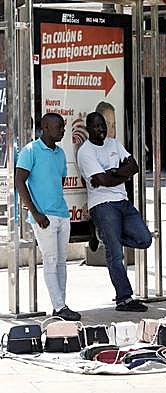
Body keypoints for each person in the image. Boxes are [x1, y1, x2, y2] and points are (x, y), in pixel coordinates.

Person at [77, 112, 151, 312]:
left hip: (122, 201)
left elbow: (134, 166)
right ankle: (124, 298)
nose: (101, 129)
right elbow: (103, 181)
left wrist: (113, 174)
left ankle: (104, 234)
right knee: (115, 253)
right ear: (88, 129)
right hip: (102, 204)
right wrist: (118, 174)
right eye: (96, 126)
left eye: (103, 125)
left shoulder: (114, 143)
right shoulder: (85, 151)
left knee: (145, 239)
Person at [15, 113, 81, 321]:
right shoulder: (30, 151)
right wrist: (35, 213)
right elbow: (19, 182)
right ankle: (60, 306)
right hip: (43, 218)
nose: (62, 130)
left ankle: (60, 305)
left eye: (63, 126)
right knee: (51, 261)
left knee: (62, 262)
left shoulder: (60, 153)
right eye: (58, 127)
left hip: (62, 214)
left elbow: (59, 182)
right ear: (45, 126)